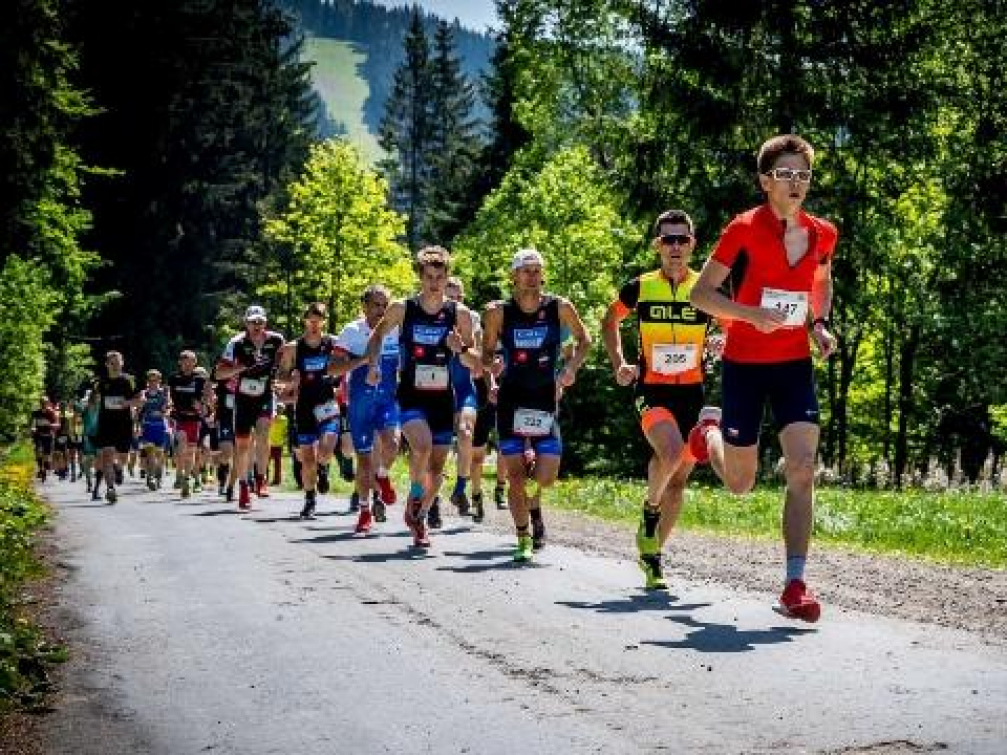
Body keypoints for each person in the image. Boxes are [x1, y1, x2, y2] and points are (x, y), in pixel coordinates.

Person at [689, 134, 838, 622]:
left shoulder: (822, 234)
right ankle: (707, 434)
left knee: (802, 466)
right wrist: (749, 315)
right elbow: (701, 294)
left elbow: (820, 283)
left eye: (803, 175)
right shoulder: (744, 229)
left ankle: (795, 583)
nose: (796, 184)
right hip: (746, 365)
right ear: (765, 181)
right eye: (786, 175)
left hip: (794, 364)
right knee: (740, 483)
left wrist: (818, 324)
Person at [602, 209, 726, 590]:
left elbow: (732, 325)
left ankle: (653, 556)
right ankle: (649, 513)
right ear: (658, 245)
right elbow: (610, 320)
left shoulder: (706, 290)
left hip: (692, 391)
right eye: (668, 240)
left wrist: (723, 340)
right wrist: (620, 362)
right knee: (670, 453)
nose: (675, 247)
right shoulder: (640, 287)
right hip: (652, 388)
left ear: (693, 245)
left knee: (678, 480)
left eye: (682, 239)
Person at [365, 246, 480, 548]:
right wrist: (374, 365)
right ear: (420, 277)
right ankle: (416, 498)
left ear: (447, 278)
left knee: (437, 469)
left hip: (444, 397)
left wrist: (462, 350)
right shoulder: (403, 309)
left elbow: (474, 362)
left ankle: (419, 516)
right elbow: (376, 335)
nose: (434, 283)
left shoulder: (460, 314)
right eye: (428, 276)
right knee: (422, 445)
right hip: (412, 394)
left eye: (440, 277)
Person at [481, 248, 591, 562]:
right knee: (515, 477)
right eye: (525, 270)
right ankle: (523, 537)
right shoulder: (498, 313)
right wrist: (492, 364)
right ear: (514, 276)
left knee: (545, 477)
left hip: (544, 398)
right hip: (511, 399)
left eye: (536, 270)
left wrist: (569, 370)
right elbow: (487, 354)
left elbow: (585, 341)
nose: (531, 275)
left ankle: (533, 489)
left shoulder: (560, 307)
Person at [334, 284, 402, 533]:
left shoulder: (395, 330)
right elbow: (333, 369)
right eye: (376, 305)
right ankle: (364, 511)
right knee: (363, 462)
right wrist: (364, 360)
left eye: (385, 306)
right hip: (360, 403)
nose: (381, 310)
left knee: (392, 443)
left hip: (387, 399)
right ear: (364, 307)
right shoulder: (351, 331)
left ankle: (382, 475)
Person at [276, 302, 343, 519]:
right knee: (307, 458)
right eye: (311, 321)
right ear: (305, 321)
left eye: (319, 321)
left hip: (327, 403)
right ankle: (309, 499)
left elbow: (344, 366)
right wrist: (290, 380)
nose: (314, 325)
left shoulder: (332, 343)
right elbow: (281, 377)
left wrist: (339, 381)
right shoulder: (293, 348)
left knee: (327, 447)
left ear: (323, 322)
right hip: (304, 405)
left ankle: (323, 467)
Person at [215, 305, 285, 510]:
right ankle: (244, 486)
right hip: (243, 398)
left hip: (264, 393)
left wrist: (281, 378)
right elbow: (219, 373)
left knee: (263, 432)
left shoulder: (276, 340)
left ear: (266, 323)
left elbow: (285, 362)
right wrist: (240, 367)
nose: (257, 326)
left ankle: (261, 479)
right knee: (243, 445)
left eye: (260, 322)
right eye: (253, 322)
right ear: (245, 323)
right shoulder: (236, 343)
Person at [444, 276, 481, 517]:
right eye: (451, 298)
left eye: (460, 298)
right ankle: (431, 499)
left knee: (466, 433)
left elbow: (477, 364)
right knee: (435, 448)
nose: (456, 303)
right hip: (435, 391)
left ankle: (460, 487)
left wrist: (462, 350)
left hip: (464, 387)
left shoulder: (471, 318)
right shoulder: (430, 317)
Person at [91, 351, 143, 503]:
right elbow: (93, 400)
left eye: (117, 362)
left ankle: (119, 468)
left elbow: (140, 399)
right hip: (106, 424)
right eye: (111, 363)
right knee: (107, 457)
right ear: (107, 364)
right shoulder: (100, 382)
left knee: (123, 457)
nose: (114, 366)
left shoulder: (129, 381)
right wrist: (92, 402)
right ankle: (110, 489)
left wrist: (127, 403)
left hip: (124, 424)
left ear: (122, 363)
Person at [167, 351, 207, 497]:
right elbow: (168, 395)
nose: (187, 364)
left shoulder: (200, 379)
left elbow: (208, 397)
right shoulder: (174, 378)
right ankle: (180, 474)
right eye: (184, 362)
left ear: (195, 363)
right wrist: (168, 406)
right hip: (180, 417)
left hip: (195, 419)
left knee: (190, 452)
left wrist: (202, 404)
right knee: (182, 443)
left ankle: (186, 478)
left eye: (190, 361)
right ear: (180, 363)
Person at [138, 369, 170, 490]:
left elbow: (168, 408)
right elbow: (139, 411)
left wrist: (164, 413)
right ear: (147, 381)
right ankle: (150, 477)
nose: (153, 383)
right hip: (147, 427)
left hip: (160, 427)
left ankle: (158, 476)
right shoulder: (144, 393)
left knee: (159, 454)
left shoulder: (163, 393)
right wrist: (136, 426)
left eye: (156, 380)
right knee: (150, 453)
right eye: (151, 380)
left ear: (159, 381)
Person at [30, 397, 58, 481]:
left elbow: (57, 424)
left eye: (45, 402)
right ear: (40, 403)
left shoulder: (51, 413)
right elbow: (33, 423)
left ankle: (45, 469)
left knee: (46, 454)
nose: (43, 404)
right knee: (38, 452)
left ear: (48, 403)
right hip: (38, 435)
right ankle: (40, 469)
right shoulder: (36, 413)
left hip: (48, 435)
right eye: (42, 402)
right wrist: (33, 428)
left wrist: (52, 425)